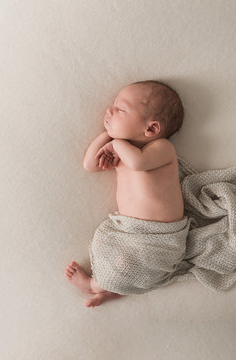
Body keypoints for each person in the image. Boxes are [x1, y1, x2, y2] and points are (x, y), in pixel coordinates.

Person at [65, 80, 186, 307]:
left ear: (151, 129)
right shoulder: (120, 150)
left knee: (122, 265)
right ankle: (116, 289)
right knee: (114, 257)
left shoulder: (160, 148)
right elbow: (90, 165)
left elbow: (138, 163)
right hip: (131, 231)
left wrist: (117, 143)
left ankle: (94, 285)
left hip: (161, 236)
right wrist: (108, 136)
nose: (109, 110)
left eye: (120, 109)